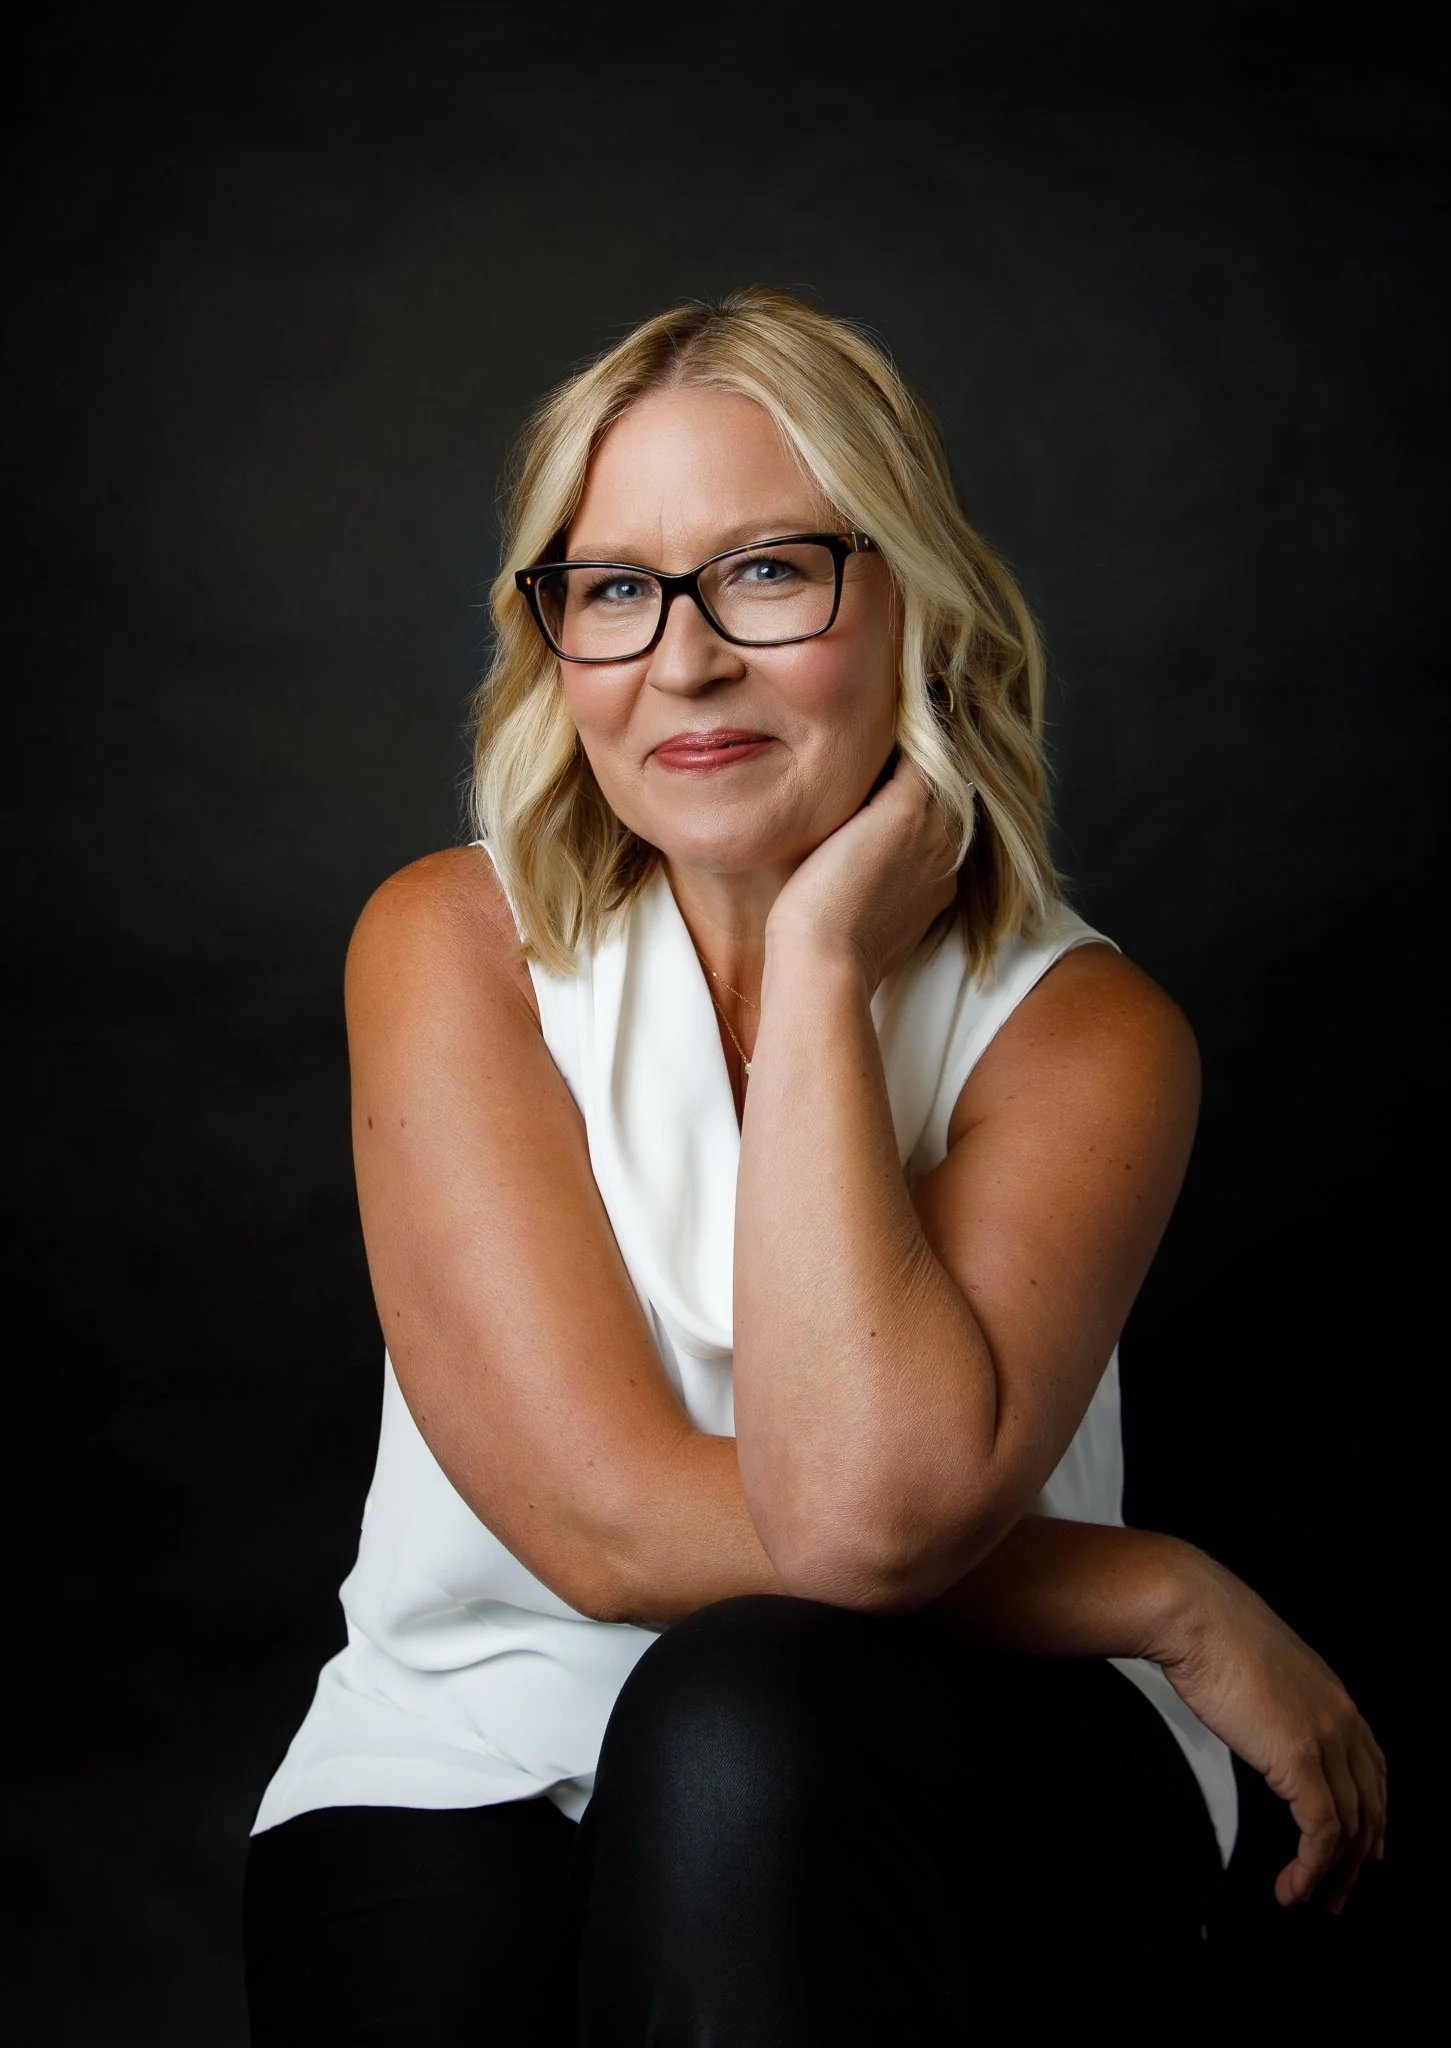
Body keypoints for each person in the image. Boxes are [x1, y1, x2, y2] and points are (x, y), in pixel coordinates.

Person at [243, 288, 1386, 2044]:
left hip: (950, 1724)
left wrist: (827, 960)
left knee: (740, 1724)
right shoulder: (450, 944)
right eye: (613, 589)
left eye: (768, 571)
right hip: (469, 1736)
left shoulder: (1080, 1033)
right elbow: (600, 1521)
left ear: (910, 598)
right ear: (554, 639)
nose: (683, 660)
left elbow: (867, 1526)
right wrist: (1153, 1586)